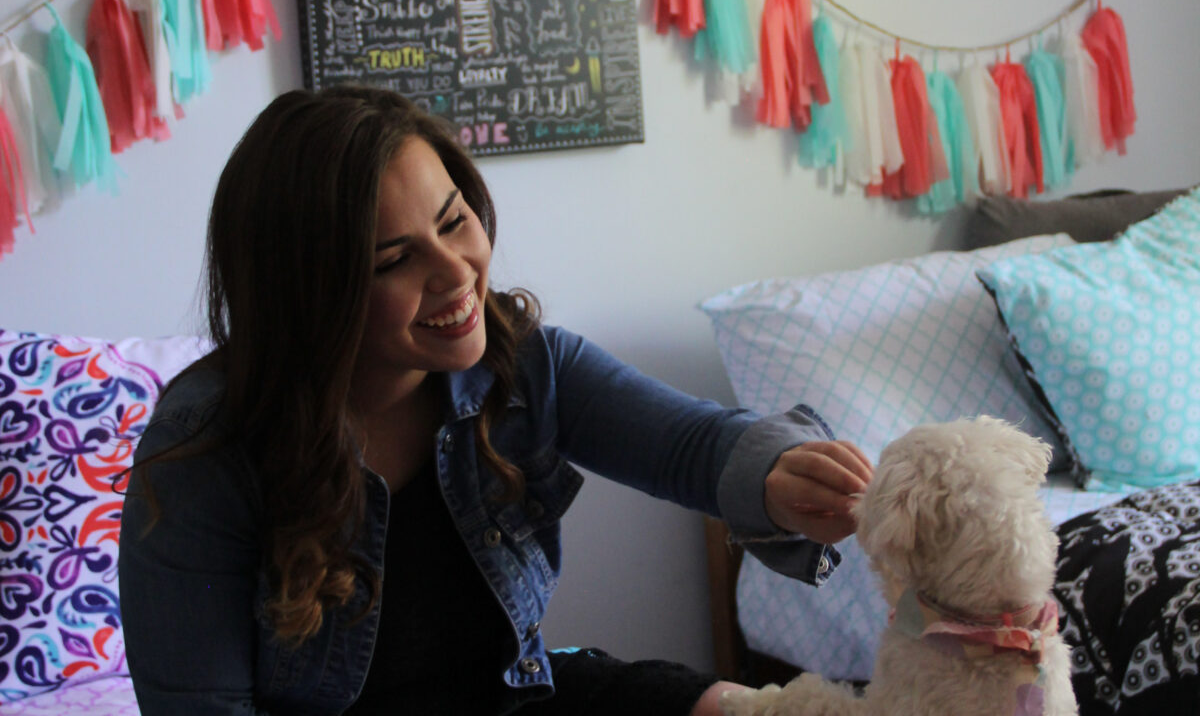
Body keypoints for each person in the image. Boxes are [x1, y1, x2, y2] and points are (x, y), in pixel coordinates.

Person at [118, 85, 873, 715]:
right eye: (394, 259)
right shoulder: (207, 451)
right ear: (311, 294)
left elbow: (694, 447)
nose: (457, 273)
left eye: (454, 221)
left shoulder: (525, 363)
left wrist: (782, 474)